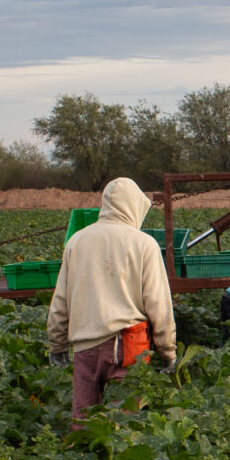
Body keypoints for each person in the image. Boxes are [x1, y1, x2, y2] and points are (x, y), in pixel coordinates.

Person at [47, 177, 177, 419]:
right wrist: (167, 350)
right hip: (128, 344)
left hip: (84, 347)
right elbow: (159, 304)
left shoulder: (76, 242)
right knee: (127, 424)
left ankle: (84, 456)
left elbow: (60, 302)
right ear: (134, 207)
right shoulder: (144, 244)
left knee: (84, 423)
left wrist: (57, 345)